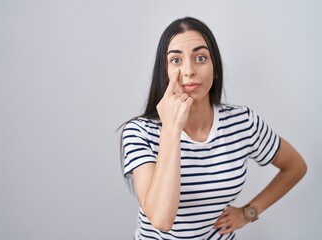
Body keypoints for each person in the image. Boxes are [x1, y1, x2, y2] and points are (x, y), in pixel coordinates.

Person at [121, 17, 307, 240]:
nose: (189, 70)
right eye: (176, 60)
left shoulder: (242, 122)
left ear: (215, 67)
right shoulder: (139, 133)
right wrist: (171, 130)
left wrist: (249, 212)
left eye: (200, 58)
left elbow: (295, 166)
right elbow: (161, 219)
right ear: (165, 72)